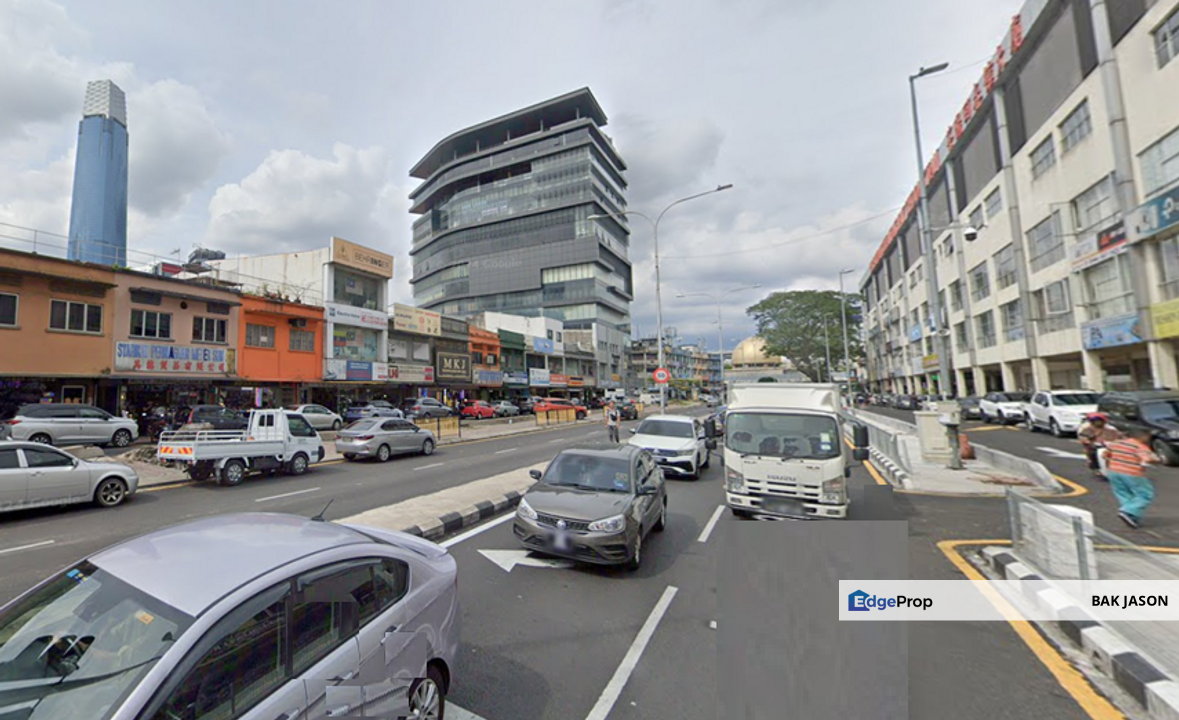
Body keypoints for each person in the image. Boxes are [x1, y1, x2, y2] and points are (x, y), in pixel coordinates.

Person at [1103, 427, 1161, 528]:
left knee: (1123, 493)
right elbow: (1147, 459)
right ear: (1143, 437)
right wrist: (1156, 459)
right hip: (1131, 472)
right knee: (1145, 494)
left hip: (1113, 471)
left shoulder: (1116, 443)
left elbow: (1105, 455)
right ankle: (1127, 511)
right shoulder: (1139, 446)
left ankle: (1131, 515)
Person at [1078, 413, 1122, 480]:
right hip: (1094, 447)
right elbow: (1083, 438)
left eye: (1099, 421)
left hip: (1110, 446)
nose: (1098, 423)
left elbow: (1119, 436)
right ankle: (1096, 467)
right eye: (1095, 421)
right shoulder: (1086, 429)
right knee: (1092, 453)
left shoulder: (1111, 429)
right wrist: (1089, 441)